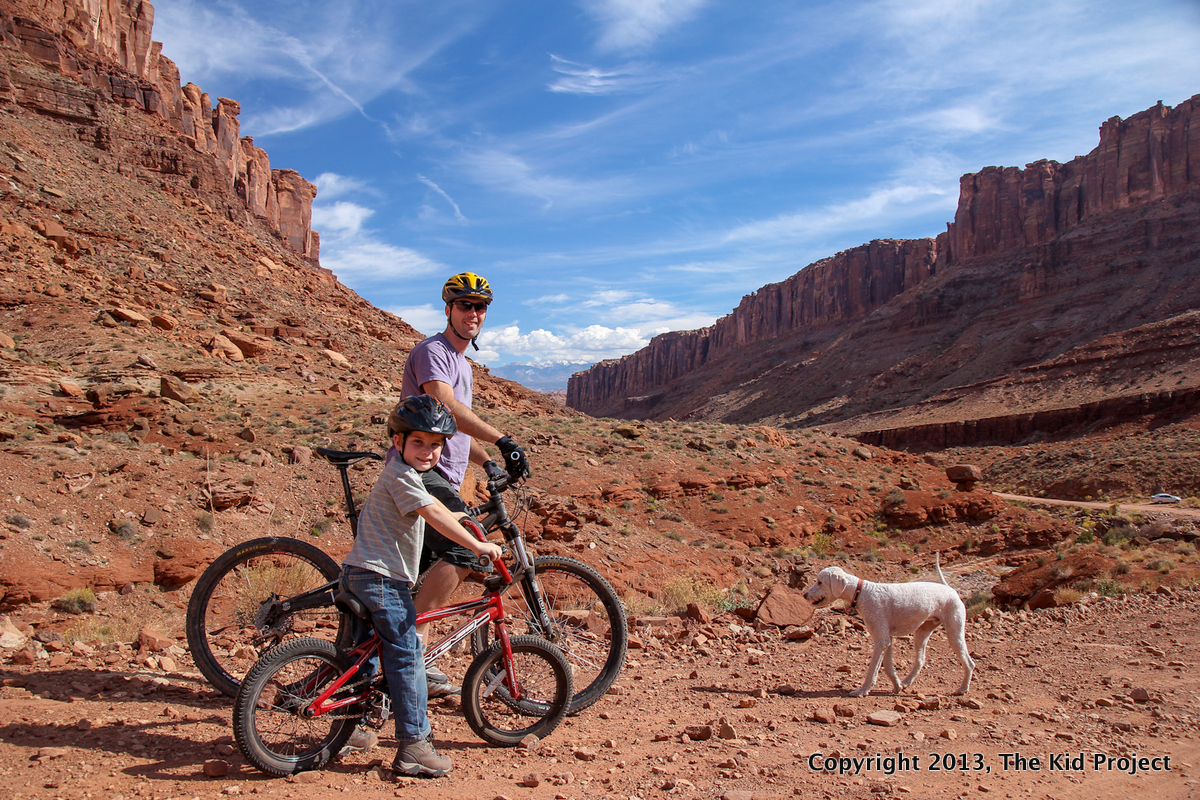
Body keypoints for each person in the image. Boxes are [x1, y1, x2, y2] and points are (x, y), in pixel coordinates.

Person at [339, 394, 502, 778]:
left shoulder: (404, 472)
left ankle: (350, 727)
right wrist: (477, 544)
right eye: (418, 443)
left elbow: (436, 505)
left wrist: (461, 514)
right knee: (408, 652)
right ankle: (414, 745)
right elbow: (430, 511)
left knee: (364, 655)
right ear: (398, 442)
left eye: (435, 445)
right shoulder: (400, 474)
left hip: (360, 572)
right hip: (382, 579)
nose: (427, 452)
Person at [399, 271, 530, 696]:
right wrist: (502, 439)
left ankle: (386, 655)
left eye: (480, 307)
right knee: (466, 545)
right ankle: (408, 655)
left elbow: (454, 430)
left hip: (447, 478)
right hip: (422, 474)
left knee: (409, 576)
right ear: (448, 310)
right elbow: (445, 405)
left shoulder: (464, 365)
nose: (473, 313)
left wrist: (490, 462)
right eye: (465, 305)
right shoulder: (433, 353)